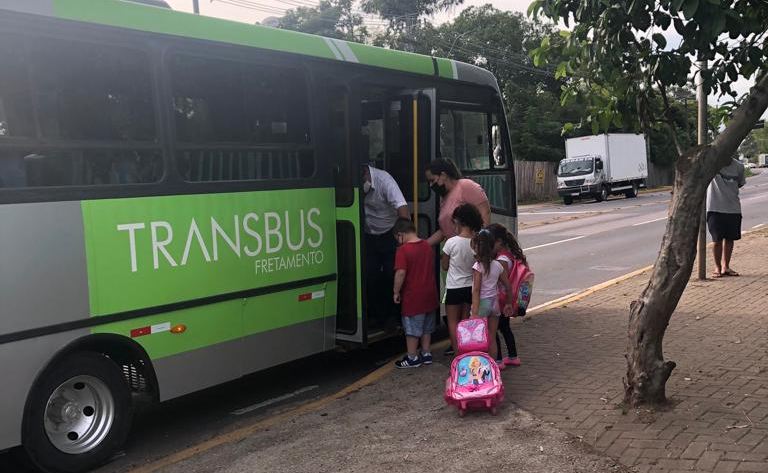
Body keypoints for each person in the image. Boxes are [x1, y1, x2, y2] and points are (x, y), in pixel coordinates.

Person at [361, 164, 410, 328]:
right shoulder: (357, 184)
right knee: (370, 275)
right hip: (368, 234)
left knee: (392, 274)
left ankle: (393, 317)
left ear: (366, 174)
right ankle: (376, 315)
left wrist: (404, 239)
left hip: (389, 233)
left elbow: (402, 209)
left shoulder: (384, 180)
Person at [392, 218, 439, 368]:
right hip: (430, 295)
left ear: (401, 234)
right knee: (427, 327)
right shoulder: (426, 246)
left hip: (413, 297)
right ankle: (426, 353)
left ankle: (412, 357)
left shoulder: (403, 250)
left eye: (398, 239)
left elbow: (400, 273)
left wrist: (396, 291)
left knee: (411, 329)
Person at [441, 203, 484, 356]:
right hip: (470, 288)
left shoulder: (451, 243)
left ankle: (458, 354)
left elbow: (444, 266)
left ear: (459, 222)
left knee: (452, 322)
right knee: (464, 322)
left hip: (453, 288)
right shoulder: (476, 243)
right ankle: (467, 352)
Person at [425, 158, 491, 246]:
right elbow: (444, 231)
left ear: (443, 175)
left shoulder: (465, 186)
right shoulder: (444, 199)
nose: (431, 185)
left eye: (432, 180)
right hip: (455, 252)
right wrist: (424, 244)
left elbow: (485, 213)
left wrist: (480, 243)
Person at [470, 229, 514, 362]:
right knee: (492, 336)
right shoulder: (497, 265)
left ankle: (480, 366)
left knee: (478, 338)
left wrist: (475, 312)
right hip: (494, 304)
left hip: (482, 304)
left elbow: (476, 290)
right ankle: (494, 365)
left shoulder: (478, 266)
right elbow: (508, 286)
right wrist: (508, 303)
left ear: (477, 247)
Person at [488, 223, 527, 368]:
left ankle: (498, 360)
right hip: (505, 300)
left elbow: (500, 280)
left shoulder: (502, 260)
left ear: (498, 242)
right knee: (505, 328)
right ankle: (512, 356)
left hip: (501, 299)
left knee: (494, 329)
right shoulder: (508, 255)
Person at [706, 158, 746, 278]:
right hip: (715, 207)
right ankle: (717, 267)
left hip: (733, 208)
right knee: (717, 240)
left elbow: (739, 183)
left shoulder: (739, 166)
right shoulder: (713, 164)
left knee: (730, 238)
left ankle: (726, 266)